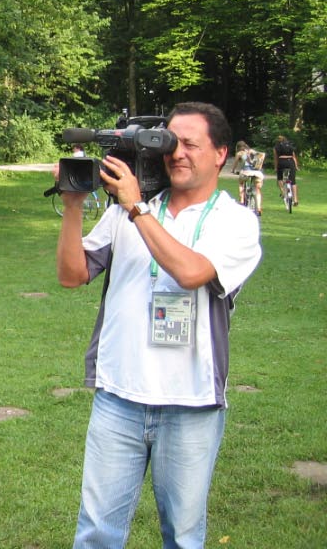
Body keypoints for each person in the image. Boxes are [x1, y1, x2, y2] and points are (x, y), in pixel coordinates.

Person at [56, 102, 262, 549]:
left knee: (183, 537)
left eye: (190, 144)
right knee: (96, 534)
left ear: (221, 154)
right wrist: (73, 207)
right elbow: (72, 275)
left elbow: (191, 273)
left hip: (191, 405)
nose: (177, 153)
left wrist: (136, 208)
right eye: (170, 142)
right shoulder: (128, 210)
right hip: (118, 397)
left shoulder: (237, 221)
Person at [231, 140, 264, 215]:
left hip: (245, 172)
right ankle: (259, 208)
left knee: (241, 183)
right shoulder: (251, 151)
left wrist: (233, 170)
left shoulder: (239, 153)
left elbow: (235, 164)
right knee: (257, 190)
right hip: (257, 173)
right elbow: (260, 155)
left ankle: (242, 200)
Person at [273, 134, 300, 206]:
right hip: (290, 162)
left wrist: (275, 167)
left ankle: (283, 192)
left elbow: (276, 158)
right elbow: (294, 156)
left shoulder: (276, 147)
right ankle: (295, 199)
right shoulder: (289, 145)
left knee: (279, 178)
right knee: (293, 182)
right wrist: (296, 166)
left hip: (281, 161)